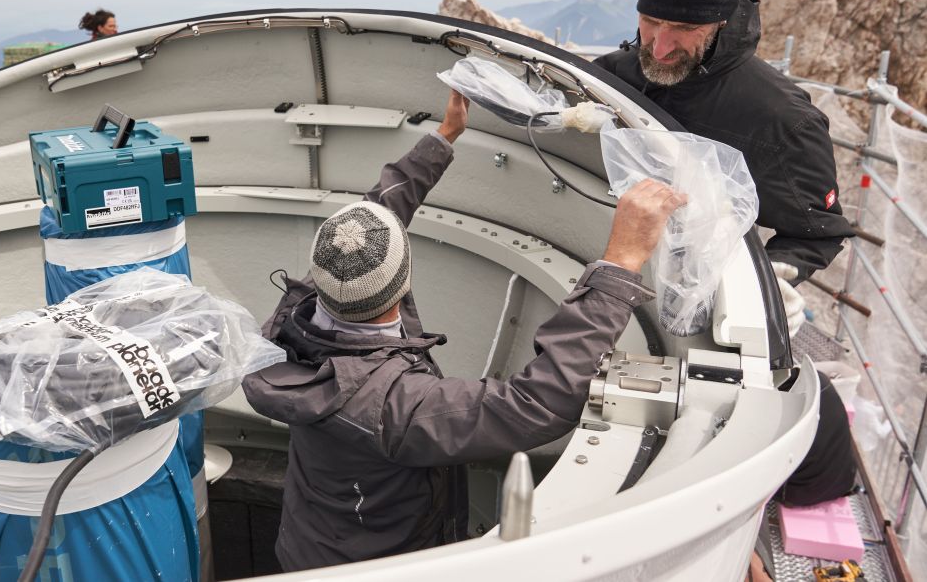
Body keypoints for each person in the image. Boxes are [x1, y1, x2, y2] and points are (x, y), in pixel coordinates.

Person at [242, 91, 686, 571]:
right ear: (405, 280)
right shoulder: (398, 408)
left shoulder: (307, 308)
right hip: (381, 567)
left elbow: (373, 218)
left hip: (310, 546)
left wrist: (443, 138)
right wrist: (620, 263)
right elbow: (539, 402)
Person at [594, 0, 857, 507]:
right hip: (624, 277)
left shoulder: (779, 119)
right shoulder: (617, 76)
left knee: (790, 436)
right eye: (648, 21)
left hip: (713, 312)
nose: (658, 45)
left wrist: (762, 281)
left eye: (681, 28)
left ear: (719, 20)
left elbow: (816, 234)